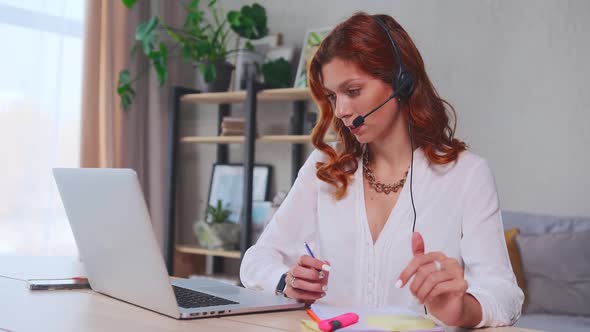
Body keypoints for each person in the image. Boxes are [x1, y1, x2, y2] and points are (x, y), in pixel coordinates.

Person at [240, 12, 523, 328]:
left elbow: (504, 294)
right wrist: (285, 281)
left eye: (353, 91)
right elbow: (256, 260)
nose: (342, 111)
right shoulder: (325, 167)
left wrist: (461, 308)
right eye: (334, 96)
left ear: (401, 82)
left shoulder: (466, 175)